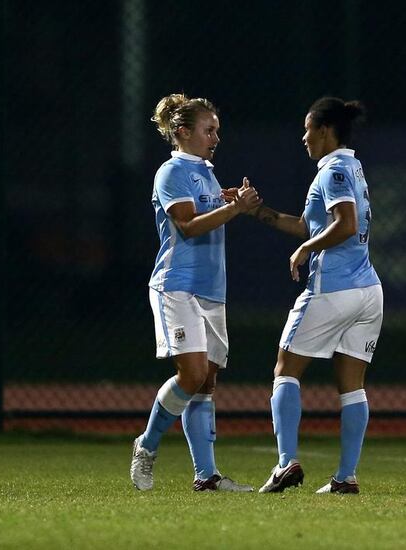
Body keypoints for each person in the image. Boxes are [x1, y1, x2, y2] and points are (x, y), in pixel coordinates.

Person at [249, 97, 383, 494]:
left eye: (308, 129)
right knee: (352, 385)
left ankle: (286, 462)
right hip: (368, 291)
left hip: (333, 289)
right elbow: (310, 225)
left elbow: (344, 224)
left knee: (285, 369)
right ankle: (345, 478)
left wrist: (307, 250)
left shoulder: (334, 172)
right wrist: (256, 211)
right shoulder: (351, 167)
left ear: (325, 130)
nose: (304, 137)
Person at [130, 93, 261, 492]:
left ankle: (207, 477)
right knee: (192, 373)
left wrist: (229, 201)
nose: (216, 137)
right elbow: (187, 226)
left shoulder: (205, 170)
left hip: (211, 289)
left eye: (217, 130)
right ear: (183, 132)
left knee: (207, 383)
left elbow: (206, 213)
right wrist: (234, 210)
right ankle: (146, 446)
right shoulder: (171, 173)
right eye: (209, 130)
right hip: (177, 285)